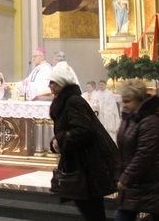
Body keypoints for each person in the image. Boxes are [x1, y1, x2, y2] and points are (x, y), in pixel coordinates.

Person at [49, 65, 118, 220]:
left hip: (88, 163)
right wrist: (58, 140)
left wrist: (60, 139)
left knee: (91, 207)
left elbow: (84, 130)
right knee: (90, 206)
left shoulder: (72, 101)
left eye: (53, 83)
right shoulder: (66, 101)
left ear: (62, 84)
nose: (50, 86)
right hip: (81, 161)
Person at [116, 79, 159, 221]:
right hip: (136, 182)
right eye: (123, 101)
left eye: (127, 101)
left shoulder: (151, 121)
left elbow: (145, 154)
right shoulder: (130, 117)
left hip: (153, 182)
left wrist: (126, 177)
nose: (124, 105)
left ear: (139, 101)